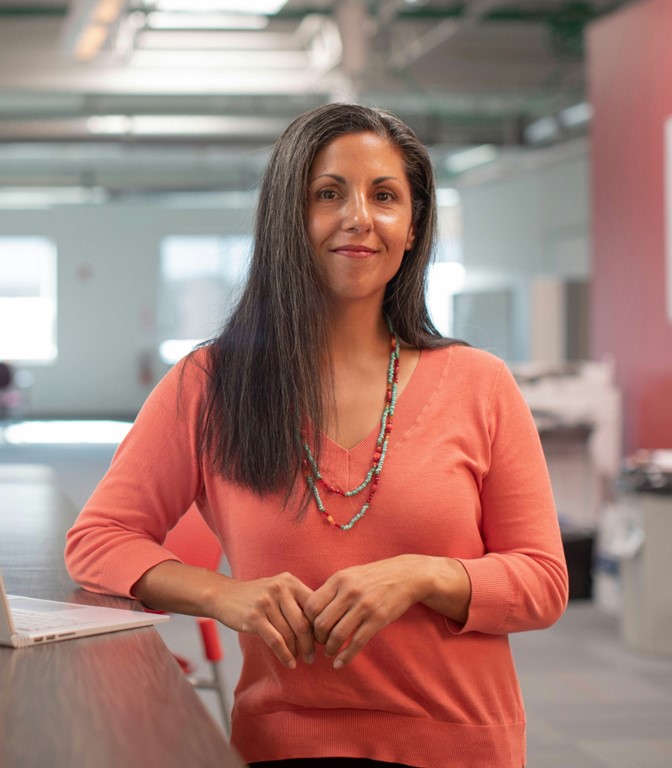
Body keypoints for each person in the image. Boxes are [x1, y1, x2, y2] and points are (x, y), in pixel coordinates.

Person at [65, 103, 568, 768]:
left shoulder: (481, 383)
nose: (359, 216)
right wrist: (222, 594)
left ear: (413, 227)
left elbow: (542, 582)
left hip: (458, 744)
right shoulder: (211, 383)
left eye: (385, 196)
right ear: (289, 219)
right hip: (283, 745)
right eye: (328, 193)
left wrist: (423, 576)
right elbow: (97, 541)